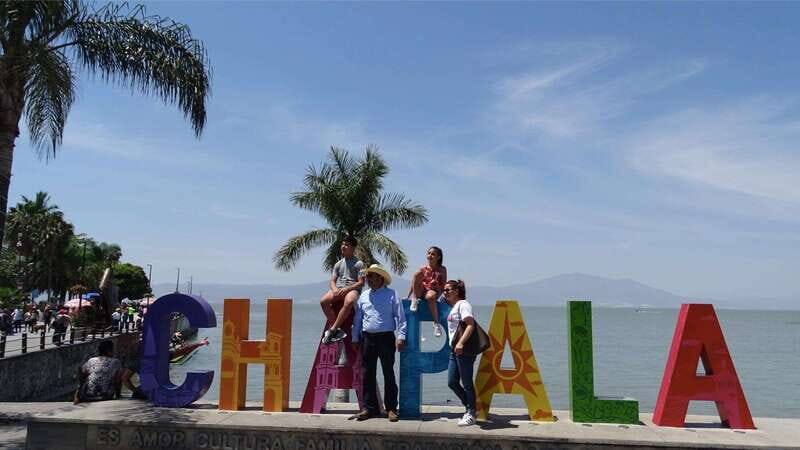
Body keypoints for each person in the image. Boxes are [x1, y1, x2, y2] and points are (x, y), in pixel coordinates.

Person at [350, 264, 406, 422]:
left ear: (380, 278)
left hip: (386, 338)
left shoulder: (392, 294)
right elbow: (358, 319)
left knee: (388, 373)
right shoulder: (364, 296)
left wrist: (401, 337)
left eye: (372, 276)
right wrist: (355, 338)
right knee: (368, 374)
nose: (369, 279)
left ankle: (391, 408)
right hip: (367, 338)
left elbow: (401, 318)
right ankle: (369, 408)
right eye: (368, 277)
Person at [444, 279, 478, 426]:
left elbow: (470, 324)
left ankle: (471, 413)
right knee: (452, 382)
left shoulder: (463, 305)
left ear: (456, 291)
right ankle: (469, 406)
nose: (445, 293)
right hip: (454, 350)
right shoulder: (453, 306)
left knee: (467, 382)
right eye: (444, 290)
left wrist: (461, 342)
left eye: (447, 290)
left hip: (463, 349)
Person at [320, 236, 365, 344]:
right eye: (342, 244)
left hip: (353, 289)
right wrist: (335, 289)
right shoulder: (338, 264)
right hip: (339, 288)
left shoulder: (359, 264)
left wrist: (347, 289)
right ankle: (338, 331)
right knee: (323, 301)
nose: (343, 247)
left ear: (353, 248)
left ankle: (333, 329)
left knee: (349, 301)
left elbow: (361, 283)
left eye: (347, 245)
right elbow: (332, 281)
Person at [407, 246, 447, 337]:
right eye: (429, 253)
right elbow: (415, 282)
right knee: (417, 274)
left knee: (431, 296)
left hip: (432, 292)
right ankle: (414, 299)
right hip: (421, 291)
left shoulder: (442, 269)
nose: (430, 256)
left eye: (433, 254)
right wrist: (409, 295)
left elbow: (443, 285)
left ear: (438, 257)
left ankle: (436, 324)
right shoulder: (423, 269)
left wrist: (440, 296)